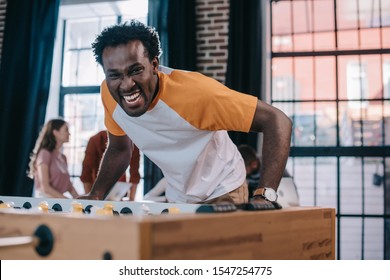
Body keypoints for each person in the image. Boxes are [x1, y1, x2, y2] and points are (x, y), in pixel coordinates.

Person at [80, 20, 292, 206]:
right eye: (114, 75)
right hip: (179, 197)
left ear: (154, 65)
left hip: (224, 190)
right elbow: (119, 150)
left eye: (136, 70)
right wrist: (96, 195)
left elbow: (277, 120)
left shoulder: (197, 94)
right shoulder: (109, 94)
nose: (126, 85)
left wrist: (264, 196)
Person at [80, 130, 141, 200]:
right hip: (98, 189)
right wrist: (91, 199)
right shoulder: (95, 140)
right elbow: (86, 173)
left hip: (118, 193)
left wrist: (131, 199)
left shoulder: (131, 140)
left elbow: (134, 173)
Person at [27, 119, 79, 198]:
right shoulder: (44, 154)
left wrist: (81, 202)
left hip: (59, 203)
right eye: (66, 130)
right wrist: (68, 201)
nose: (69, 133)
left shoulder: (63, 157)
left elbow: (69, 187)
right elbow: (45, 188)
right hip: (45, 204)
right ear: (55, 133)